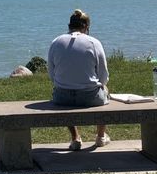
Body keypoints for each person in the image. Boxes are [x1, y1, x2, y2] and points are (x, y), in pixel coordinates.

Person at [47, 9, 110, 150]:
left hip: (62, 97)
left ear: (69, 25)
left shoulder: (56, 42)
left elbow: (52, 74)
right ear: (86, 27)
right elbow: (104, 75)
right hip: (90, 97)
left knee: (65, 90)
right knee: (104, 89)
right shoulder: (94, 43)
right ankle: (101, 136)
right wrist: (101, 85)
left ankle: (75, 138)